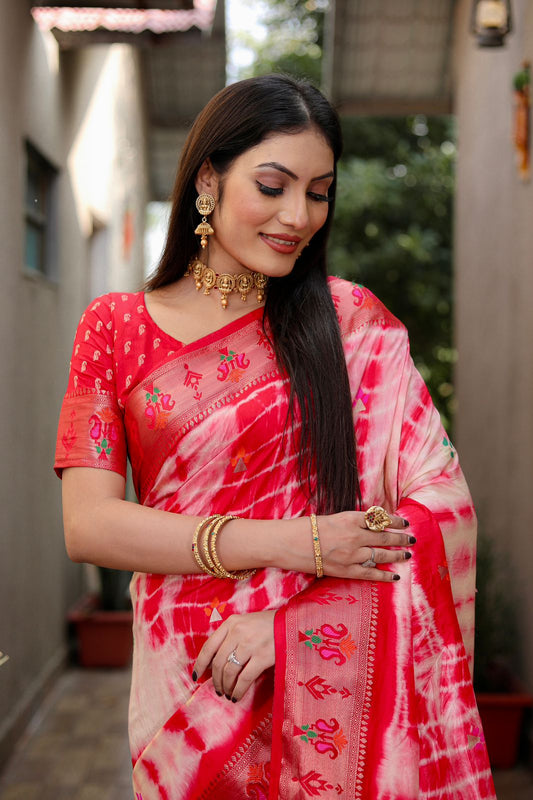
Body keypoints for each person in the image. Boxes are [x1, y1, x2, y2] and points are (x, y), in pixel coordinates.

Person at [55, 74, 495, 799]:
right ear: (208, 179)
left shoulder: (352, 324)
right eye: (272, 185)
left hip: (331, 672)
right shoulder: (114, 328)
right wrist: (291, 543)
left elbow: (440, 508)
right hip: (187, 684)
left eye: (317, 192)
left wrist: (295, 625)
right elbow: (88, 524)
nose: (297, 214)